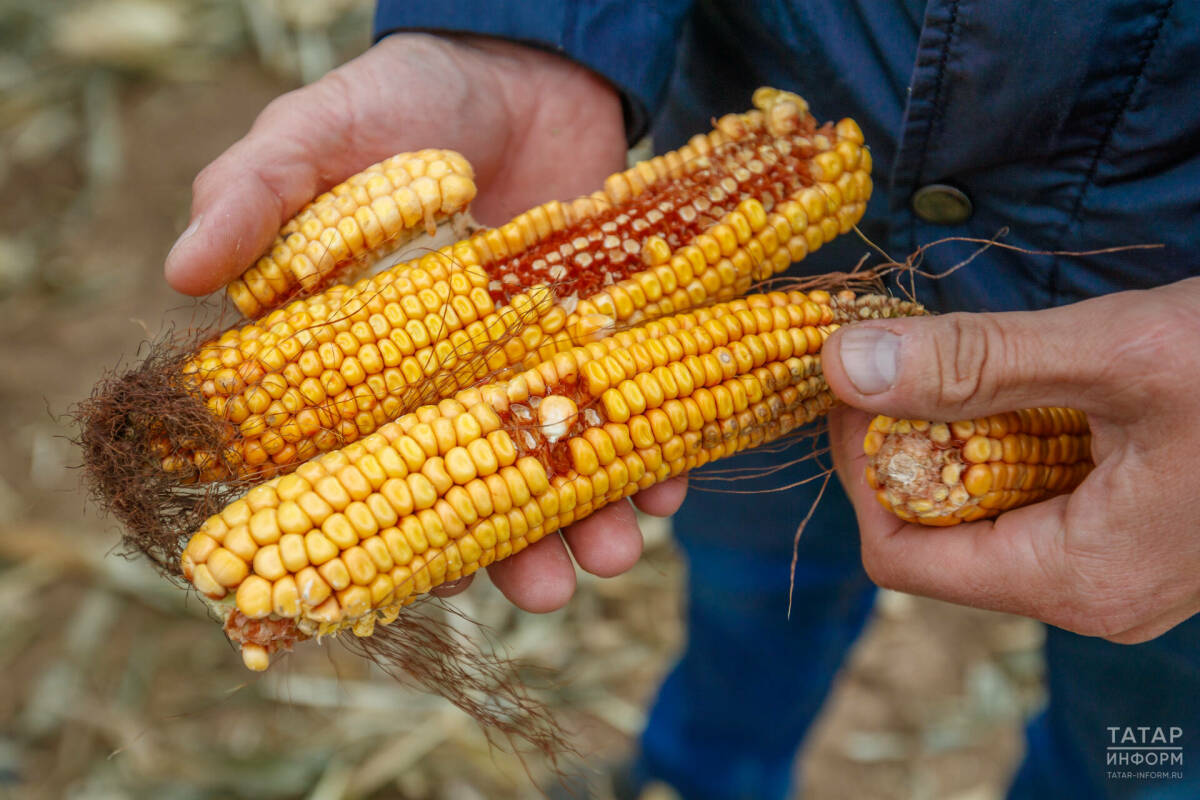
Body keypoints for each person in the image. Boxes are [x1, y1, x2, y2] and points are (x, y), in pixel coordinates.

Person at [164, 4, 1200, 798]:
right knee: (754, 587)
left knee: (1144, 733)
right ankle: (701, 773)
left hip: (1169, 367)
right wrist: (523, 33)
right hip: (775, 234)